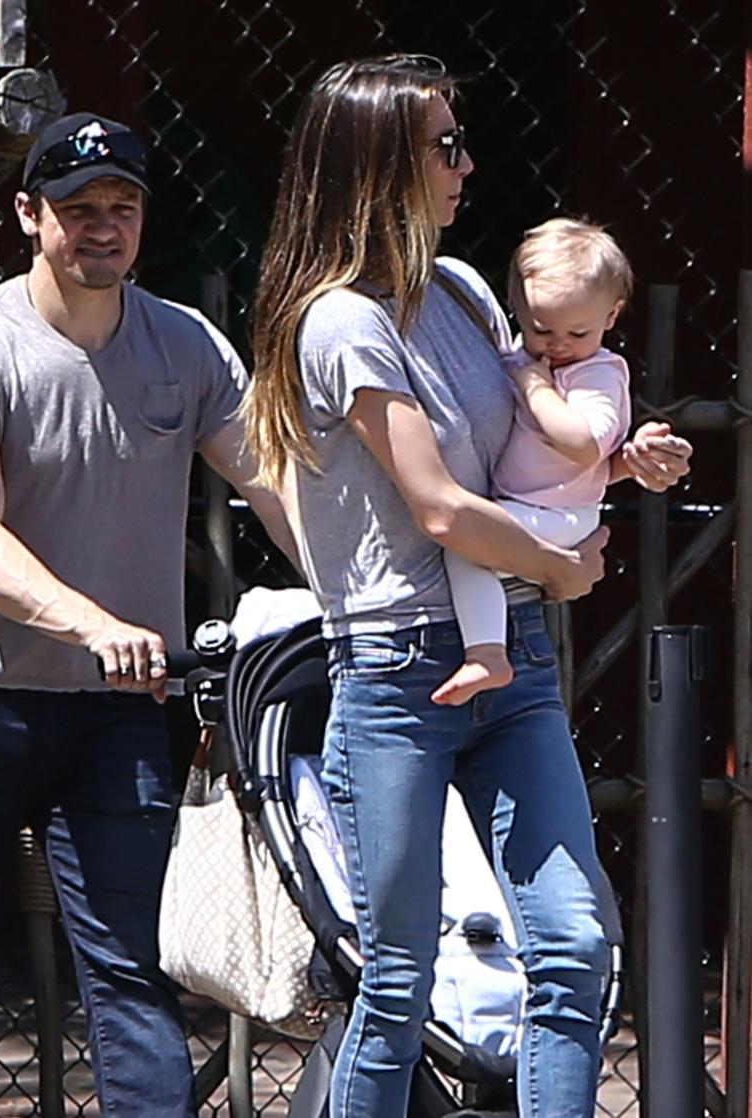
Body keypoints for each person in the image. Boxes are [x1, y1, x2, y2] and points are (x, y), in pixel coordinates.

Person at [242, 56, 691, 1118]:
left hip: (517, 659)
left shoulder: (461, 290)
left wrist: (623, 461)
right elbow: (438, 504)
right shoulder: (339, 321)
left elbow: (527, 456)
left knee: (575, 949)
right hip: (397, 671)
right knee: (396, 982)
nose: (466, 164)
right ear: (377, 164)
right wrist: (561, 564)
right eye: (443, 145)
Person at [0, 111, 297, 1118]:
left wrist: (371, 590)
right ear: (29, 215)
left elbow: (275, 484)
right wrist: (90, 621)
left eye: (123, 207)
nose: (102, 227)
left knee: (134, 970)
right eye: (78, 208)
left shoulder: (184, 344)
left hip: (117, 713)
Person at [436, 217, 661, 705]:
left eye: (578, 331)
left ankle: (488, 655)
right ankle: (487, 652)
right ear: (514, 307)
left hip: (562, 515)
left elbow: (584, 444)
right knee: (473, 548)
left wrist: (535, 386)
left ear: (612, 316)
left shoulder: (596, 373)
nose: (558, 345)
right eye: (542, 329)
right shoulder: (522, 354)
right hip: (531, 505)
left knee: (467, 546)